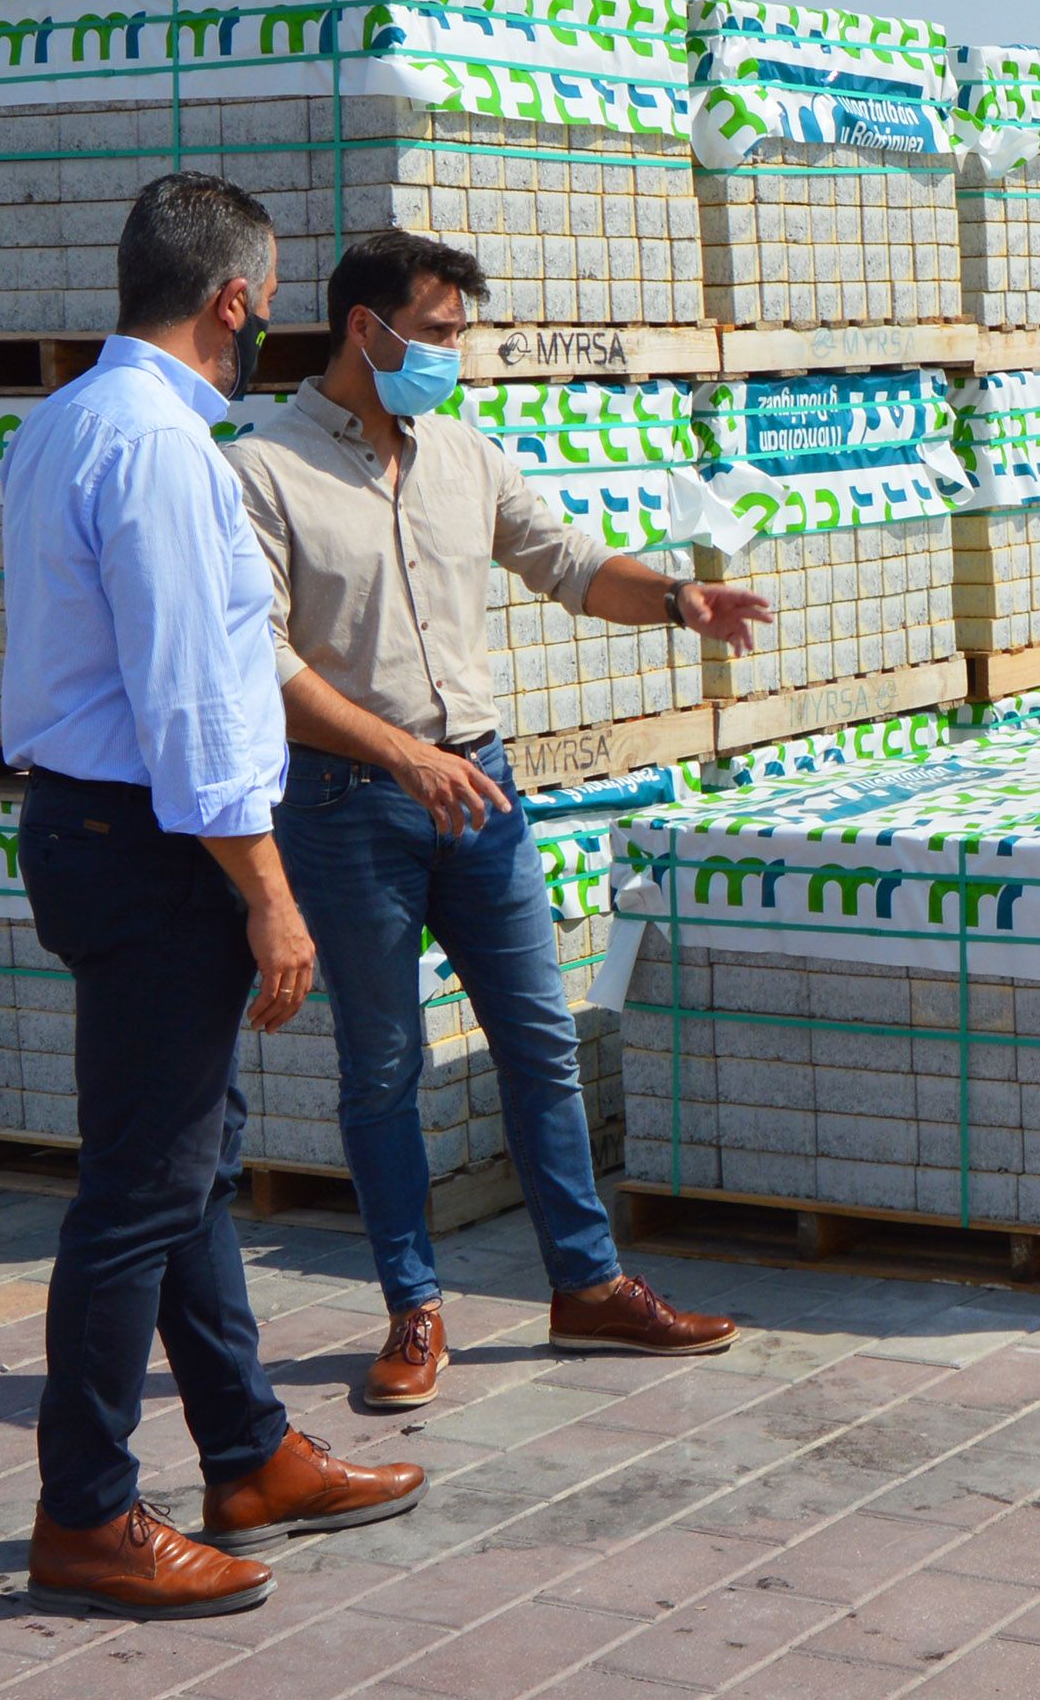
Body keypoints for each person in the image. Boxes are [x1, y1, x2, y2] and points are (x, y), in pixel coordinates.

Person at [227, 230, 770, 1409]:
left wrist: (680, 598)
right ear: (364, 329)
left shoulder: (465, 456)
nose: (452, 353)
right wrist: (400, 754)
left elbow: (569, 562)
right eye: (437, 331)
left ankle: (588, 1284)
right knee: (382, 1064)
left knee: (542, 1044)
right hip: (345, 804)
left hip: (481, 794)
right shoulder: (263, 472)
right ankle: (413, 1309)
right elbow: (258, 661)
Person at [2, 177, 424, 1621]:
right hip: (152, 844)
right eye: (268, 298)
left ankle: (247, 1452)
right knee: (135, 1191)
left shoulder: (63, 419)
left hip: (84, 826)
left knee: (180, 1157)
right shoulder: (166, 453)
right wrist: (267, 893)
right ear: (233, 299)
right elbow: (189, 698)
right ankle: (88, 1512)